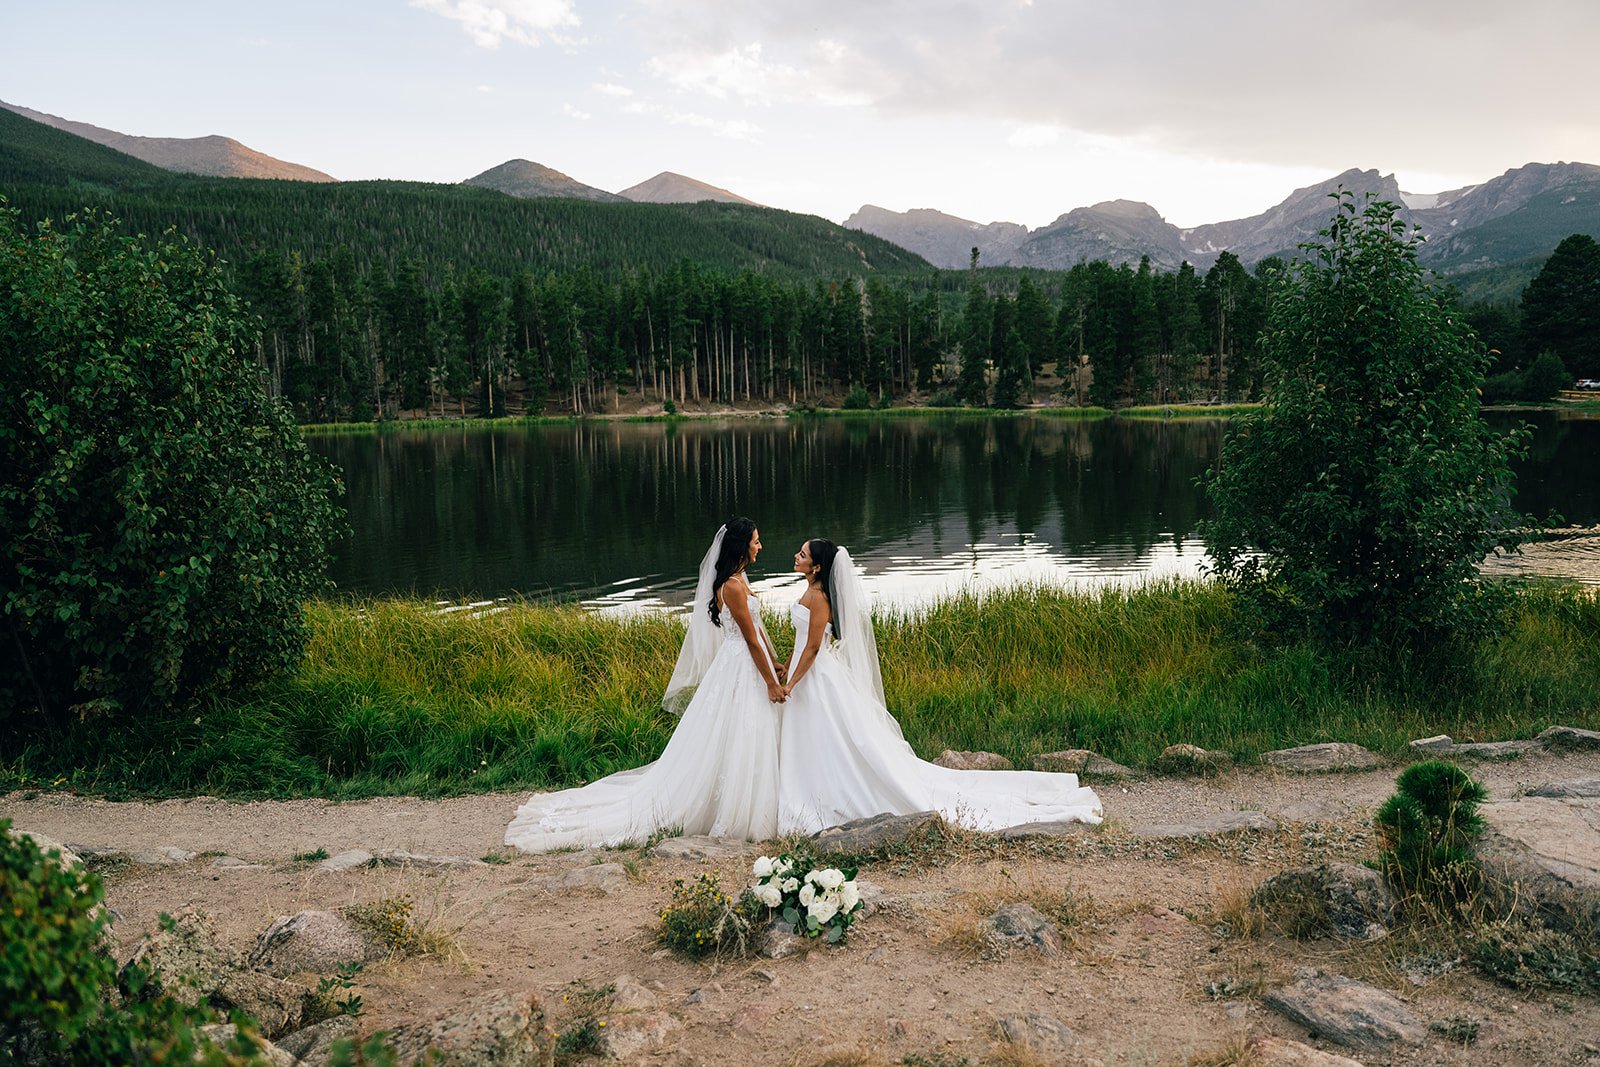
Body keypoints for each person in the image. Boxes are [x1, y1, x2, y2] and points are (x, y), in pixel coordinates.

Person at [777, 538, 1102, 834]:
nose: (796, 555)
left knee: (833, 738)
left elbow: (815, 648)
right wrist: (786, 669)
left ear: (817, 566)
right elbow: (801, 643)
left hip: (817, 677)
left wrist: (792, 681)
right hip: (807, 675)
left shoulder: (819, 598)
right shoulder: (807, 592)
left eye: (802, 554)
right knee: (818, 737)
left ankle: (830, 794)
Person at [505, 518, 787, 851]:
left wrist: (774, 660)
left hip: (744, 664)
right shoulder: (733, 586)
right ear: (741, 545)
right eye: (756, 541)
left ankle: (750, 801)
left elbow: (756, 630)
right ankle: (731, 810)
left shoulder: (740, 579)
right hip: (740, 669)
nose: (760, 546)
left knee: (742, 734)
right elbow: (750, 640)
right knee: (736, 732)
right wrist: (770, 681)